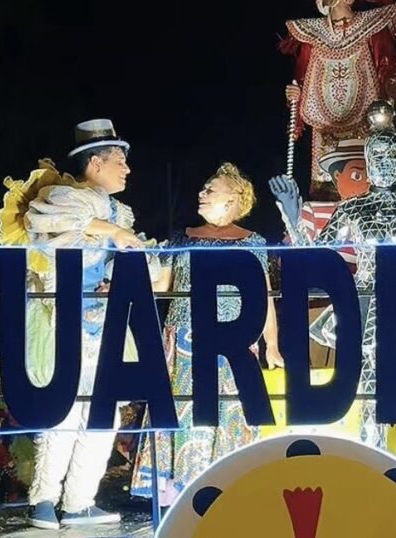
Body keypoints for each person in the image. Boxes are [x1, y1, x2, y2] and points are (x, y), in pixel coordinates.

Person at [270, 103, 396, 485]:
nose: (386, 162)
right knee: (367, 407)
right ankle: (371, 483)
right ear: (368, 159)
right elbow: (315, 258)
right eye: (378, 155)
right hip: (366, 319)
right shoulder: (352, 211)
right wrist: (292, 213)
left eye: (393, 154)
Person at [19, 119, 162, 529]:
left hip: (104, 323)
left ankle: (80, 501)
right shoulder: (66, 196)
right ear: (95, 163)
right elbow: (47, 224)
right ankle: (44, 499)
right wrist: (114, 232)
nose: (127, 169)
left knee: (104, 414)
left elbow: (117, 256)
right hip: (64, 319)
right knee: (63, 410)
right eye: (120, 161)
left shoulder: (120, 212)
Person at [130, 162, 284, 506]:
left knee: (230, 413)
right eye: (203, 187)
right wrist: (122, 280)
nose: (202, 192)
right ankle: (179, 489)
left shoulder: (252, 243)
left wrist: (271, 342)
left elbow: (264, 296)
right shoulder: (182, 238)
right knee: (184, 412)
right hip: (185, 338)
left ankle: (228, 485)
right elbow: (161, 283)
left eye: (211, 188)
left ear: (234, 199)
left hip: (234, 340)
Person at [280, 0, 396, 196]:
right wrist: (295, 95)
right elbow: (302, 78)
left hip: (365, 121)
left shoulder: (371, 25)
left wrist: (388, 100)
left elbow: (388, 68)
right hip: (324, 128)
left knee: (364, 183)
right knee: (327, 185)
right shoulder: (312, 33)